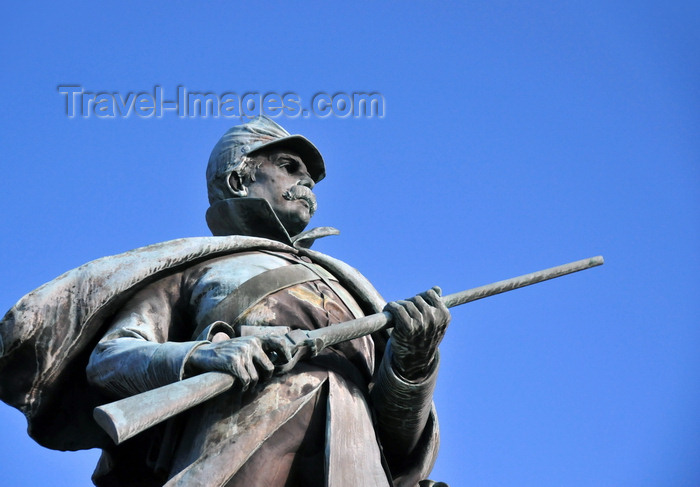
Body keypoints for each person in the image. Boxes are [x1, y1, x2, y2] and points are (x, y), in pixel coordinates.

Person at [0, 117, 450, 487]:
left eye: (306, 174)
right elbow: (111, 359)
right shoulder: (198, 268)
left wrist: (411, 366)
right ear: (238, 179)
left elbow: (397, 446)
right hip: (234, 457)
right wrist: (204, 354)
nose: (307, 180)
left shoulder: (354, 291)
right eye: (288, 165)